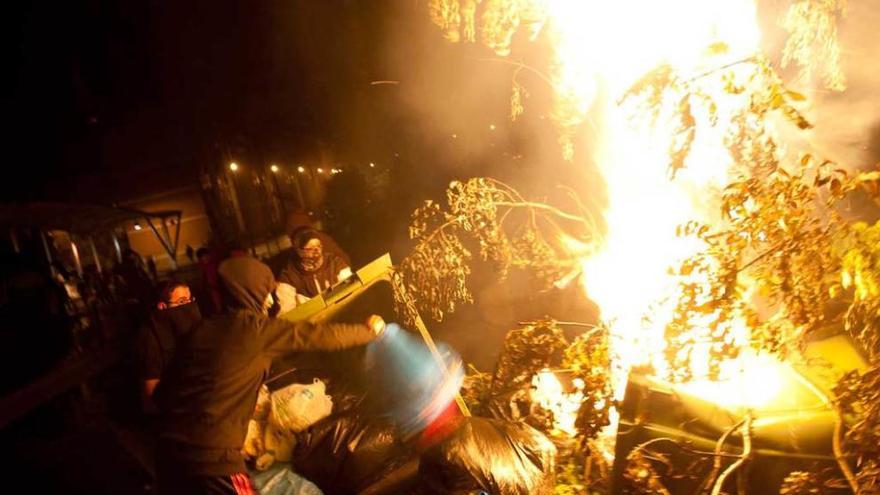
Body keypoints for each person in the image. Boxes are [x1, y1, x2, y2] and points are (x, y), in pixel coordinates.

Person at [153, 256, 385, 495]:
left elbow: (161, 395)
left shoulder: (202, 329)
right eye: (266, 292)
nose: (270, 300)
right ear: (253, 292)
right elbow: (317, 336)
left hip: (167, 458)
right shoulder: (255, 330)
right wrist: (367, 332)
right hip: (212, 462)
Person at [135, 280, 202, 412]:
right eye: (182, 302)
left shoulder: (189, 329)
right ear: (162, 307)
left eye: (190, 300)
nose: (189, 307)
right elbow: (151, 397)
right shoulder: (149, 339)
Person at [277, 228, 351, 298]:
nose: (317, 251)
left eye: (319, 246)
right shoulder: (289, 278)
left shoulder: (335, 263)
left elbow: (350, 286)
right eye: (310, 249)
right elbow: (287, 308)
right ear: (299, 252)